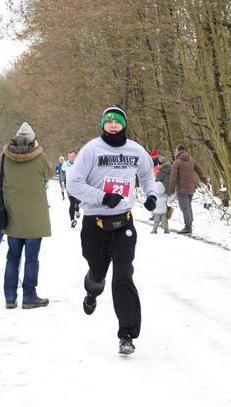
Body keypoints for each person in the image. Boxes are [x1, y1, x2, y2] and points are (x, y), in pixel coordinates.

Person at [66, 104, 157, 355]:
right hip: (95, 224)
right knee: (97, 272)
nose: (113, 125)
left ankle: (126, 334)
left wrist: (151, 195)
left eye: (118, 121)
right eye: (109, 121)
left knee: (123, 276)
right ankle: (92, 290)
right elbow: (73, 184)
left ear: (124, 125)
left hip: (123, 223)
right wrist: (102, 197)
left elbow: (148, 174)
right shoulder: (91, 150)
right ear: (103, 124)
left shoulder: (135, 150)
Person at [1, 122, 53, 309]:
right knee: (31, 258)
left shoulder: (5, 157)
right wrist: (39, 149)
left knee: (12, 257)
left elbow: (0, 177)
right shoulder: (39, 158)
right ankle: (29, 296)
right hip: (34, 218)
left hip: (12, 215)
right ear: (33, 140)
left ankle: (9, 296)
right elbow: (50, 172)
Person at [168, 144, 209, 234]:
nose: (175, 153)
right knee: (188, 207)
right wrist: (205, 181)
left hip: (182, 189)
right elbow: (199, 171)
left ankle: (188, 227)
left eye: (175, 151)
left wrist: (170, 190)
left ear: (179, 151)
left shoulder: (177, 162)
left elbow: (173, 178)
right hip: (191, 189)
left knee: (185, 208)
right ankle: (189, 224)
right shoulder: (191, 159)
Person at [60, 149, 81, 227]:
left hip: (79, 186)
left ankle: (77, 208)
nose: (71, 158)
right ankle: (72, 220)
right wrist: (62, 181)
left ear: (76, 156)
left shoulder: (80, 163)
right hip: (70, 186)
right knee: (72, 202)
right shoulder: (65, 164)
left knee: (78, 201)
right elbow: (62, 172)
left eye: (73, 156)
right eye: (70, 157)